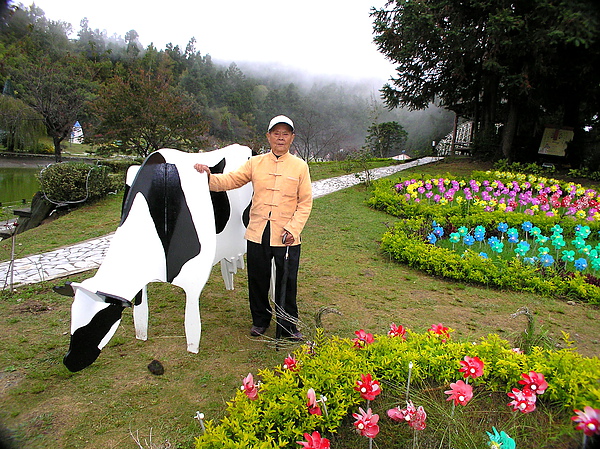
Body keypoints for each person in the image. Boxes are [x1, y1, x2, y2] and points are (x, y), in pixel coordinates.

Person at [194, 115, 313, 339]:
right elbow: (231, 180)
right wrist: (207, 177)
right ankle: (260, 320)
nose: (280, 137)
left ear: (292, 138)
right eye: (276, 133)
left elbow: (305, 202)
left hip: (287, 235)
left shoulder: (300, 167)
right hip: (258, 232)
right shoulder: (255, 163)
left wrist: (293, 229)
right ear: (268, 136)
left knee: (287, 282)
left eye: (285, 133)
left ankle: (288, 325)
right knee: (257, 279)